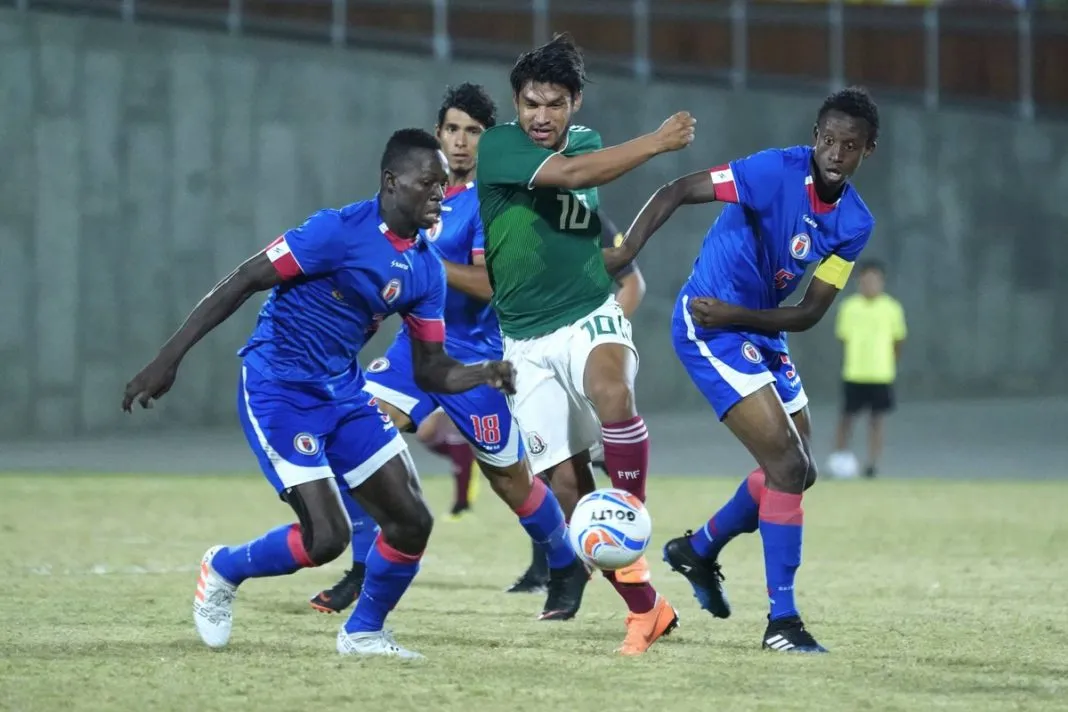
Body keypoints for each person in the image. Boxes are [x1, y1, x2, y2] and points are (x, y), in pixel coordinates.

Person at [121, 128, 516, 659]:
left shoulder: (425, 267)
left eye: (444, 185)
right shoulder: (336, 231)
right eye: (428, 183)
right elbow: (244, 279)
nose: (439, 195)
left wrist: (485, 373)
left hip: (344, 393)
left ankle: (364, 633)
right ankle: (223, 568)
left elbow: (431, 371)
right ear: (391, 181)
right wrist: (168, 359)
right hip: (277, 388)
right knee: (325, 539)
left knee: (412, 519)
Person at [309, 84, 586, 622]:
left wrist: (426, 261)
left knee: (509, 479)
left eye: (474, 132)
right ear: (437, 135)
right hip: (417, 347)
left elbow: (489, 284)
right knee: (357, 438)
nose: (461, 143)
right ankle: (364, 567)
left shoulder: (493, 200)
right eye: (453, 129)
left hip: (475, 355)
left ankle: (564, 561)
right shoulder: (419, 195)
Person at [618, 86, 880, 653]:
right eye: (829, 140)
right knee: (787, 464)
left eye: (850, 145)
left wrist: (744, 315)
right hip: (707, 322)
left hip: (755, 325)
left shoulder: (855, 222)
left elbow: (810, 311)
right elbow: (678, 189)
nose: (836, 152)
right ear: (815, 138)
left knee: (799, 470)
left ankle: (698, 549)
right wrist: (624, 252)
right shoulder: (772, 171)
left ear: (868, 152)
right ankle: (782, 622)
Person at [476, 32, 695, 654]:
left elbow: (587, 202)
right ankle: (646, 609)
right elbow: (571, 175)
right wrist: (657, 141)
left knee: (610, 390)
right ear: (515, 105)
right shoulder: (500, 146)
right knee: (570, 495)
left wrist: (630, 247)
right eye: (528, 103)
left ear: (574, 103)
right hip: (522, 341)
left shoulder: (592, 142)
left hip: (588, 313)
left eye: (553, 103)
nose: (539, 116)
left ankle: (632, 509)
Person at [507, 212, 647, 594]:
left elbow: (632, 284)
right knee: (551, 471)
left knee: (578, 467)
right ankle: (557, 569)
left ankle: (625, 530)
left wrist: (597, 346)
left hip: (582, 357)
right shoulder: (504, 219)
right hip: (528, 351)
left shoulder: (584, 216)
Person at [828, 260, 906, 478]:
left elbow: (898, 340)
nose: (870, 284)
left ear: (882, 282)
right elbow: (843, 337)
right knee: (846, 418)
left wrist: (888, 362)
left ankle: (872, 464)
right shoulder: (849, 307)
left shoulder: (892, 308)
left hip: (881, 374)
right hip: (854, 373)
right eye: (866, 279)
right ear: (858, 281)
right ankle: (839, 459)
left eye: (874, 279)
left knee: (877, 420)